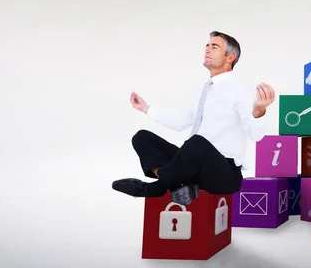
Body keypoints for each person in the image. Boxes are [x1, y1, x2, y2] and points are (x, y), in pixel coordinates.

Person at [112, 31, 276, 205]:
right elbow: (180, 122)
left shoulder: (240, 88)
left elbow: (256, 134)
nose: (207, 50)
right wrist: (146, 108)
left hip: (224, 173)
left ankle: (155, 188)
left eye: (215, 46)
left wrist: (259, 112)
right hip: (194, 166)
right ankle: (178, 184)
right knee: (142, 138)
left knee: (197, 143)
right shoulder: (203, 89)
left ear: (230, 57)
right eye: (207, 45)